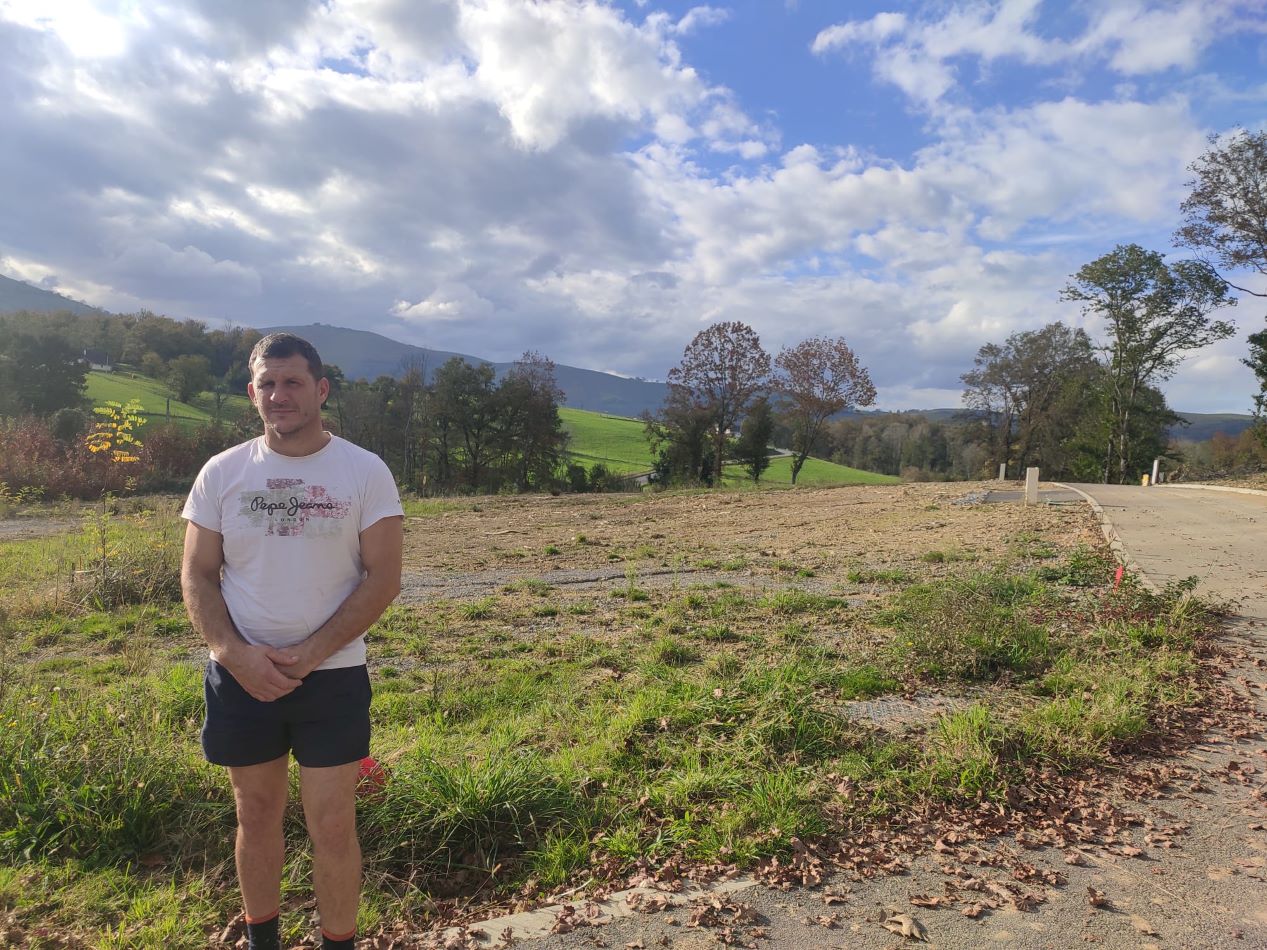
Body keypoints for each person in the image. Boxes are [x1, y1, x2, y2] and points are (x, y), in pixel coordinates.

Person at [181, 332, 403, 950]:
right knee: (255, 813)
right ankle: (264, 942)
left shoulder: (364, 471)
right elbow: (197, 574)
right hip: (241, 675)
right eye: (267, 384)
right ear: (253, 393)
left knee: (332, 823)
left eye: (293, 382)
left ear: (321, 390)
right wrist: (232, 653)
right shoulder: (222, 472)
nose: (279, 395)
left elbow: (384, 577)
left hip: (331, 677)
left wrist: (310, 654)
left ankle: (338, 943)